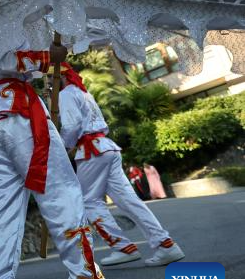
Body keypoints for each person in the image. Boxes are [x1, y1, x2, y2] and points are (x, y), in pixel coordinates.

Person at [0, 49, 143, 279]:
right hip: (20, 110)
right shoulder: (0, 19)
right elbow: (7, 58)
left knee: (4, 206)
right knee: (61, 192)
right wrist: (50, 57)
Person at [57, 63, 184, 267]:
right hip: (107, 148)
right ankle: (165, 245)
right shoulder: (84, 93)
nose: (46, 84)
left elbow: (72, 127)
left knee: (89, 201)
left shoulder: (65, 94)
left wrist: (61, 146)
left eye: (48, 79)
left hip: (92, 151)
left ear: (58, 77)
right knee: (129, 200)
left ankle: (122, 247)